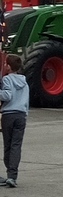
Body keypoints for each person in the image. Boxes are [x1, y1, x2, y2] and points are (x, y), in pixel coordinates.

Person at [1, 53, 28, 187]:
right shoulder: (24, 82)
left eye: (6, 64)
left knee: (8, 145)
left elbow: (7, 95)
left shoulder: (7, 80)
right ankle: (13, 175)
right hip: (21, 115)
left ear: (9, 67)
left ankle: (8, 172)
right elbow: (26, 102)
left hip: (9, 114)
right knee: (16, 145)